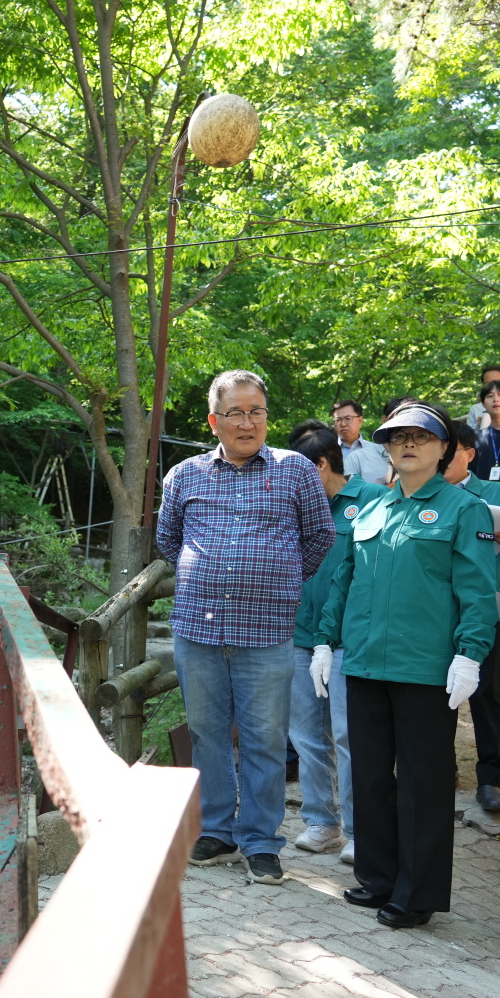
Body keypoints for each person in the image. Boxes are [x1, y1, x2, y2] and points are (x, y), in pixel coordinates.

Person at [309, 402, 498, 928]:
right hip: (365, 663)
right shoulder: (370, 509)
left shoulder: (464, 510)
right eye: (397, 437)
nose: (408, 444)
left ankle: (416, 894)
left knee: (423, 783)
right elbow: (342, 581)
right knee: (370, 777)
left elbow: (478, 592)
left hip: (425, 669)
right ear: (386, 449)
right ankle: (378, 877)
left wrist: (470, 654)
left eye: (421, 436)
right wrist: (325, 642)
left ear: (444, 449)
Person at [160, 372, 335, 883]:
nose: (247, 421)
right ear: (214, 421)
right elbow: (168, 540)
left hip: (267, 630)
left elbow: (319, 537)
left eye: (255, 411)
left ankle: (261, 840)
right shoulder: (184, 475)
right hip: (198, 628)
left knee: (263, 738)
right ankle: (216, 829)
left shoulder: (295, 470)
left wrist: (276, 580)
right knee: (206, 732)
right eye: (235, 413)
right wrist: (210, 575)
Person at [287, 422, 386, 865]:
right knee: (306, 735)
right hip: (298, 637)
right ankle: (322, 822)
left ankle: (363, 830)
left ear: (322, 465)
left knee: (349, 736)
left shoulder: (372, 500)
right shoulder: (294, 507)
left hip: (349, 640)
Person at [444, 421, 500, 812]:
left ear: (469, 454)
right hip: (436, 612)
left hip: (484, 611)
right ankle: (444, 768)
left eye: (451, 451)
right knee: (440, 695)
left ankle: (490, 779)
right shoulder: (425, 494)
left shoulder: (496, 494)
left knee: (486, 697)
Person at [330, 398, 392, 485]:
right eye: (338, 420)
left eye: (348, 418)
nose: (343, 424)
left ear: (360, 421)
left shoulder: (378, 451)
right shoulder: (328, 453)